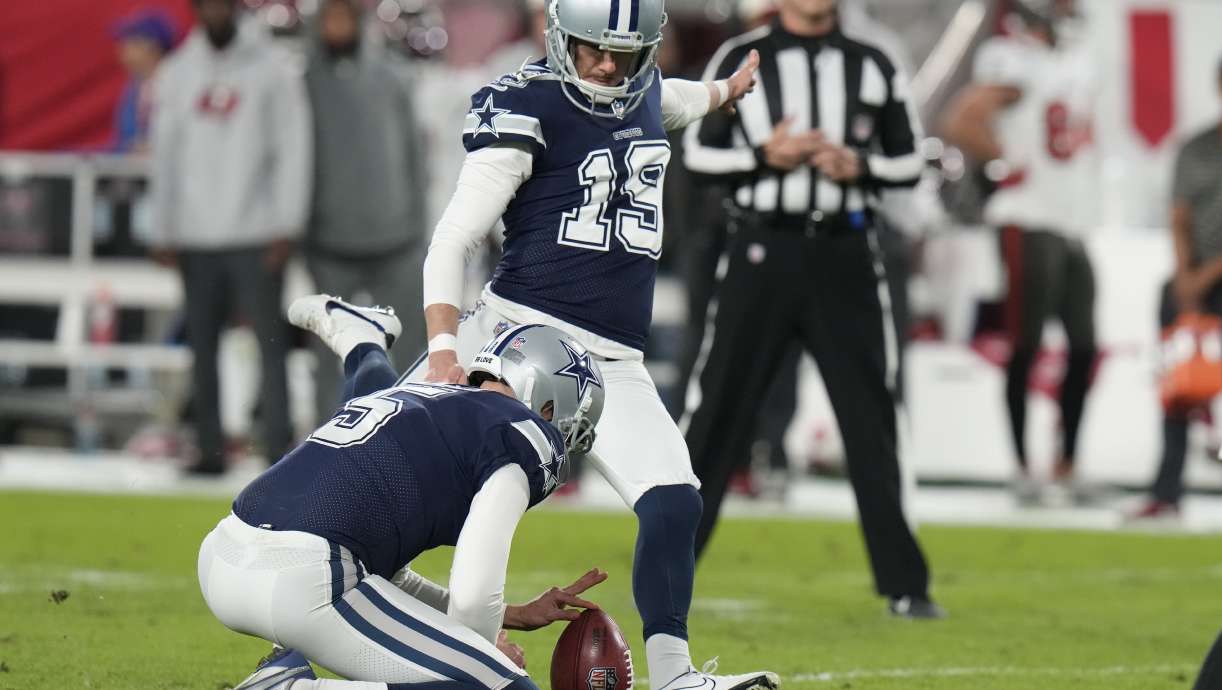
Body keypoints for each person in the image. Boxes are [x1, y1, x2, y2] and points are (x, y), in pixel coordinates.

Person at [404, 1, 777, 688]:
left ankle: (674, 676)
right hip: (519, 337)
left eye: (624, 52)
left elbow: (679, 99)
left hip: (612, 357)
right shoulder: (528, 106)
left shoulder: (647, 93)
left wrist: (728, 91)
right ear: (558, 38)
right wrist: (444, 345)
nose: (607, 65)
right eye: (590, 49)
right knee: (420, 488)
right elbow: (454, 237)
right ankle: (443, 661)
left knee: (675, 499)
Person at [199, 295, 607, 689]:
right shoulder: (520, 434)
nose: (565, 438)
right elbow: (472, 594)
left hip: (224, 558)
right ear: (548, 405)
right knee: (497, 686)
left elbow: (384, 577)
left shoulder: (419, 396)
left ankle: (362, 339)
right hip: (306, 581)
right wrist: (481, 651)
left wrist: (509, 615)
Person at [681, 0, 939, 618]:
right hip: (762, 246)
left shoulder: (873, 62)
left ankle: (906, 583)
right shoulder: (740, 56)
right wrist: (763, 156)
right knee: (716, 410)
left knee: (871, 416)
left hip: (847, 252)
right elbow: (694, 154)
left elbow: (912, 159)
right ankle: (669, 566)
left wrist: (862, 166)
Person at [941, 0, 1097, 505]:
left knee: (1084, 345)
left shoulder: (1075, 59)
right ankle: (1023, 468)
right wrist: (1005, 161)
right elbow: (961, 119)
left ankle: (1067, 464)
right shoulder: (1013, 58)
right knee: (1026, 343)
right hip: (1026, 217)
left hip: (1070, 220)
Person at [148, 0, 311, 473]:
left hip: (258, 231)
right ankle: (209, 449)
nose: (215, 11)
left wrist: (288, 223)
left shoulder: (272, 69)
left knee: (270, 345)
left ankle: (278, 449)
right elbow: (165, 154)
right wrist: (163, 227)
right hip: (196, 234)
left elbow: (292, 148)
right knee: (202, 345)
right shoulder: (178, 72)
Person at [303, 0, 430, 422]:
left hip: (397, 240)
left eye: (344, 17)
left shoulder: (394, 77)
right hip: (328, 242)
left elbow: (414, 156)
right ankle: (325, 441)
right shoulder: (304, 82)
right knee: (329, 354)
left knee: (408, 350)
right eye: (330, 18)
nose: (336, 27)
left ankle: (403, 435)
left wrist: (417, 226)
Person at [1130, 55, 1222, 522]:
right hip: (1194, 279)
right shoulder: (1197, 149)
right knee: (1176, 385)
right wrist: (1186, 275)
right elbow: (1179, 216)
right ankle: (1167, 491)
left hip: (1217, 277)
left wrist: (1205, 276)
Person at [111, 9, 176, 153]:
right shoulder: (134, 89)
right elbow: (124, 141)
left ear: (153, 47)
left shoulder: (179, 85)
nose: (123, 53)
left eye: (131, 44)